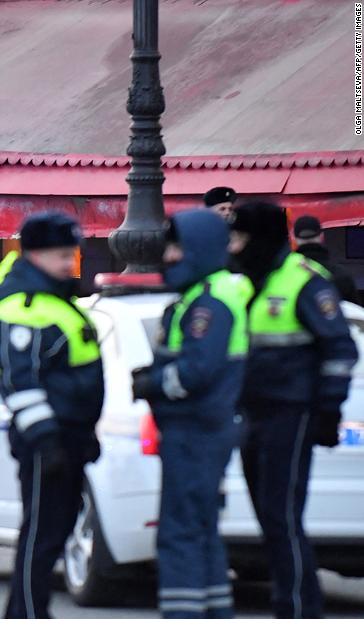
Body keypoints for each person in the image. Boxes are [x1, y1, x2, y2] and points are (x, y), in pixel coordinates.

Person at [230, 201, 359, 619]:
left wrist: (328, 409)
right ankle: (291, 602)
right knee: (269, 517)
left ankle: (300, 609)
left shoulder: (305, 281)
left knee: (281, 516)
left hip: (293, 413)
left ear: (261, 237)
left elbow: (340, 349)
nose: (233, 246)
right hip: (254, 415)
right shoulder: (246, 282)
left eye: (240, 238)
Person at [132, 209, 251, 618]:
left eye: (177, 247)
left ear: (198, 249)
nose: (169, 256)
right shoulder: (206, 296)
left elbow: (197, 371)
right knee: (201, 532)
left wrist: (153, 383)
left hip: (196, 430)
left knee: (180, 534)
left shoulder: (209, 304)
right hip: (202, 430)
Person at [0, 212, 105, 619]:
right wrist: (48, 439)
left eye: (70, 254)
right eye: (60, 255)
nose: (68, 263)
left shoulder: (55, 303)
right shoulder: (25, 308)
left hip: (65, 439)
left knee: (53, 533)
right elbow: (21, 384)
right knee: (42, 534)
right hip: (45, 442)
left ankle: (22, 612)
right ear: (34, 255)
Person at [293, 215, 360, 304]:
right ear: (321, 236)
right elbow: (355, 313)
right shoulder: (341, 275)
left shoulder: (284, 275)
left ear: (294, 239)